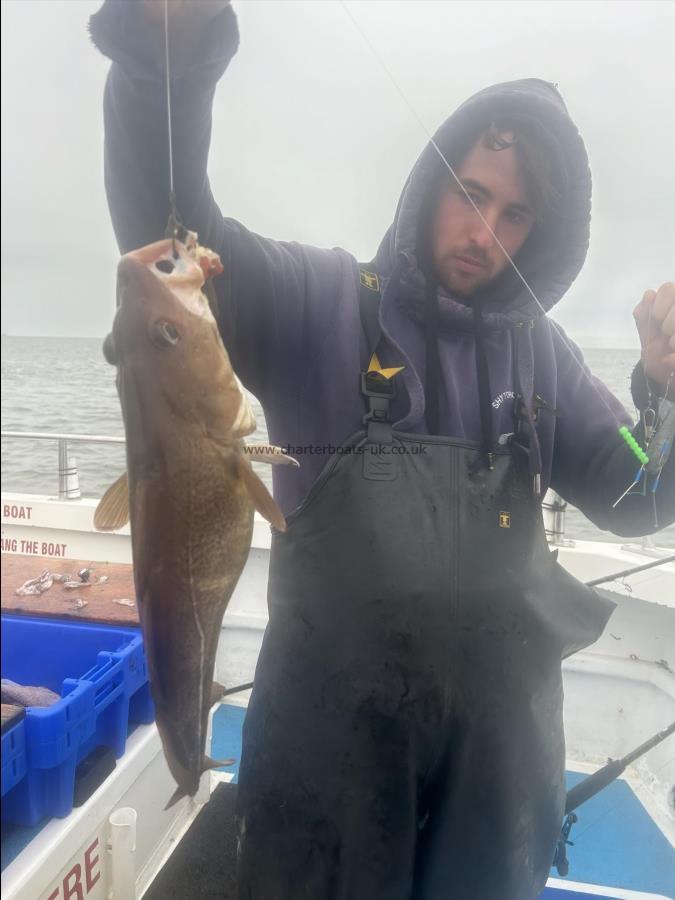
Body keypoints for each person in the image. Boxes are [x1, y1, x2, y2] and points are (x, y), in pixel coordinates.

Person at [90, 2, 675, 897]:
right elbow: (168, 229)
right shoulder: (321, 300)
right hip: (329, 763)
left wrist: (664, 391)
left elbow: (640, 500)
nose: (485, 233)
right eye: (470, 194)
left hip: (497, 771)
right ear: (429, 184)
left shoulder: (543, 354)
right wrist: (166, 51)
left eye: (515, 215)